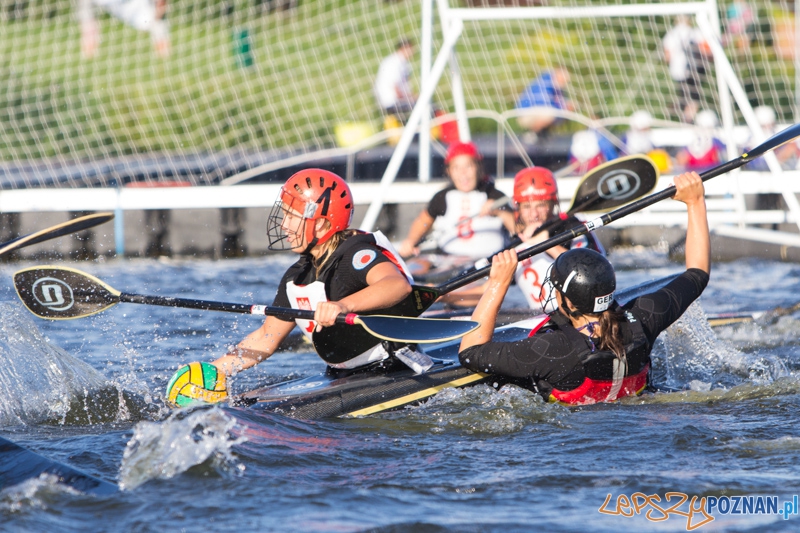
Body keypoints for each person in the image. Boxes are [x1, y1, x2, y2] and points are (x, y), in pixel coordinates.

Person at [458, 170, 710, 405]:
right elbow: (697, 274)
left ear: (566, 301)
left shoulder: (549, 350)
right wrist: (695, 201)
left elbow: (470, 353)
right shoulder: (644, 318)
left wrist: (497, 283)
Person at [210, 168, 421, 381]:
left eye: (291, 216)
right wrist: (211, 371)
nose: (283, 225)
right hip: (341, 375)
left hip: (394, 368)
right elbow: (266, 337)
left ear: (320, 224)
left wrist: (343, 306)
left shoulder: (356, 256)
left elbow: (397, 285)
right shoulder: (296, 276)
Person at [439, 166, 604, 310]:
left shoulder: (575, 228)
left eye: (541, 205)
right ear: (518, 208)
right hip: (542, 323)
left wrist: (546, 244)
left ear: (553, 204)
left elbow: (591, 276)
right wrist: (442, 296)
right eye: (527, 207)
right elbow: (487, 291)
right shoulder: (517, 245)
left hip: (580, 315)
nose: (534, 213)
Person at [397, 141, 516, 260]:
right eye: (456, 168)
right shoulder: (442, 197)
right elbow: (423, 220)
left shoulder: (494, 195)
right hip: (448, 261)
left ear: (478, 167)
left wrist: (500, 212)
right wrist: (411, 241)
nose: (463, 173)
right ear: (449, 171)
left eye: (468, 166)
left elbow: (517, 230)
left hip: (487, 262)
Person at [78, 0, 170, 59]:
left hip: (138, 12)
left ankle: (163, 51)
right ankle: (89, 46)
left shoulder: (145, 18)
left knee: (153, 21)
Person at [662, 15, 710, 122]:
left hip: (678, 71)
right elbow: (705, 49)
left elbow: (667, 56)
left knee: (684, 95)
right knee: (693, 99)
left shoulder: (671, 34)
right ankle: (688, 119)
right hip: (694, 69)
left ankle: (679, 111)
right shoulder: (694, 32)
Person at [515, 67, 574, 142]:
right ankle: (532, 134)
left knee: (559, 112)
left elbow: (559, 104)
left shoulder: (557, 88)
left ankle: (542, 135)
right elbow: (545, 104)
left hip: (535, 112)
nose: (565, 83)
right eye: (563, 80)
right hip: (525, 113)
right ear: (558, 75)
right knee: (550, 113)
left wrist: (566, 107)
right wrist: (563, 108)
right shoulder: (544, 83)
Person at [374, 38, 417, 124]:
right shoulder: (395, 63)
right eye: (411, 48)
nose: (413, 51)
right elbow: (395, 89)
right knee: (427, 106)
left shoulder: (402, 62)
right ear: (404, 48)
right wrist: (411, 97)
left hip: (396, 101)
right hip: (392, 102)